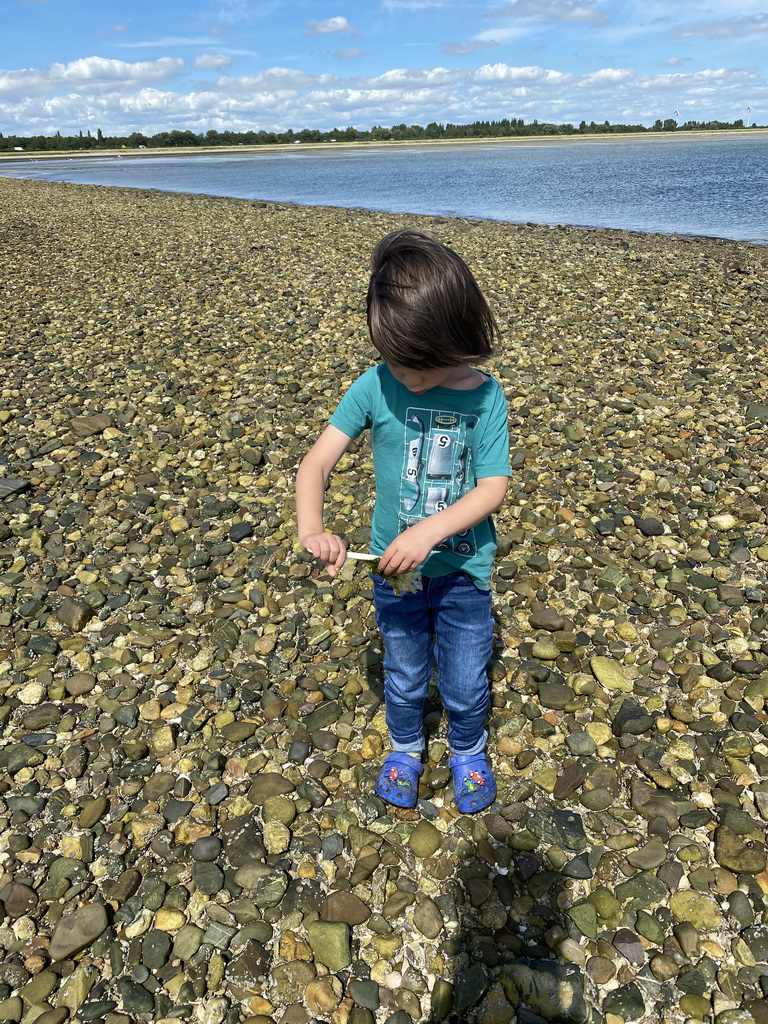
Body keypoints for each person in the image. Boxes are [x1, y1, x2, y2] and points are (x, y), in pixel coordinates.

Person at [295, 228, 510, 814]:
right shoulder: (374, 384)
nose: (410, 378)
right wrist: (312, 530)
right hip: (393, 570)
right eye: (399, 361)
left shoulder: (486, 399)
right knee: (406, 666)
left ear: (458, 338)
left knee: (466, 678)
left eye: (425, 365)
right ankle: (406, 746)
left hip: (464, 569)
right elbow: (315, 463)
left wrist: (429, 530)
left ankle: (468, 747)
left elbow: (493, 487)